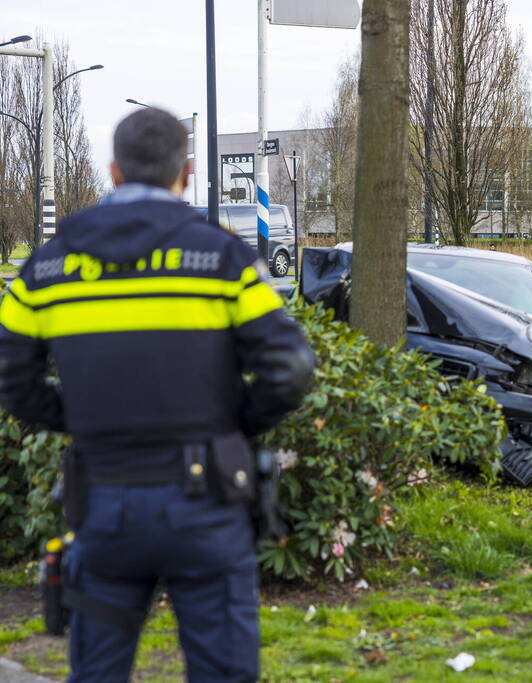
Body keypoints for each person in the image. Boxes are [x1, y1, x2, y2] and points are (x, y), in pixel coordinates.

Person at [0, 108, 315, 681]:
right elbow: (290, 366)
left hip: (104, 505)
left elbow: (9, 377)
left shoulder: (47, 267)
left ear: (115, 173)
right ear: (187, 173)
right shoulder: (220, 259)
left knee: (97, 672)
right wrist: (229, 423)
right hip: (208, 504)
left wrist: (83, 420)